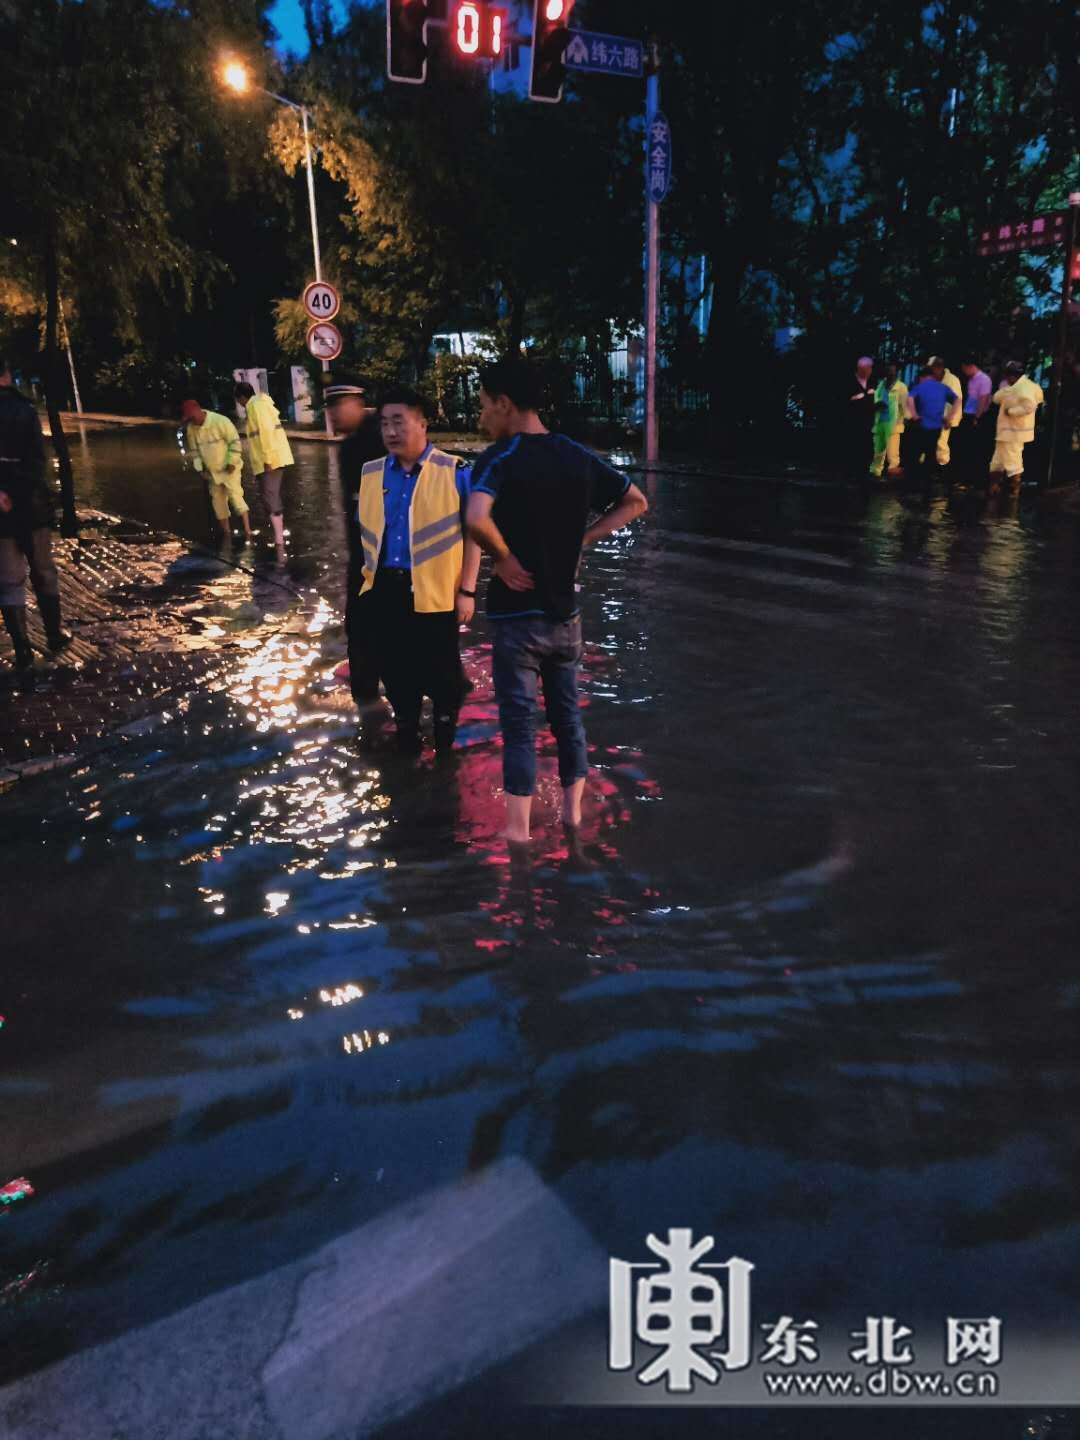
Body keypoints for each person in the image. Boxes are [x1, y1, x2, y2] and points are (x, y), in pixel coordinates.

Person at [466, 357, 648, 846]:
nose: (482, 416)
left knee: (520, 728)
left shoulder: (500, 457)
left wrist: (503, 556)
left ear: (504, 403)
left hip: (517, 619)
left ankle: (517, 835)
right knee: (568, 721)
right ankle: (573, 820)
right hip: (567, 620)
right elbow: (636, 501)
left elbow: (476, 517)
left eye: (484, 405)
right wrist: (582, 540)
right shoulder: (576, 454)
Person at [354, 384, 480, 753]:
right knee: (395, 671)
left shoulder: (454, 471)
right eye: (384, 423)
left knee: (444, 675)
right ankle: (406, 734)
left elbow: (475, 535)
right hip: (385, 589)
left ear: (423, 423)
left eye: (399, 422)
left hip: (437, 591)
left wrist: (467, 590)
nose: (391, 431)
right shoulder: (371, 473)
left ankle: (445, 746)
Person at [0, 357, 68, 674]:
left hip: (3, 516)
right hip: (31, 508)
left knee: (9, 580)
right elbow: (37, 462)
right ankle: (54, 635)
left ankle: (23, 650)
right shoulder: (25, 410)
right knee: (43, 571)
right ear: (7, 374)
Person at [324, 373, 386, 708]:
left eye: (337, 405)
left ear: (357, 402)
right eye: (328, 407)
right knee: (359, 631)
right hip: (361, 561)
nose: (332, 414)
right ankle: (367, 701)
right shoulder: (347, 448)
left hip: (388, 562)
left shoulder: (382, 438)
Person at [235, 381, 294, 562]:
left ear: (241, 398)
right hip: (267, 461)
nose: (239, 404)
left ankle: (279, 541)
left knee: (270, 495)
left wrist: (268, 459)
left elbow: (266, 432)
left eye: (238, 400)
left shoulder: (256, 406)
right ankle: (278, 537)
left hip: (271, 460)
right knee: (267, 496)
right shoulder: (259, 404)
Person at [181, 398, 252, 546]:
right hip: (212, 472)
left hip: (230, 469)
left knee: (236, 498)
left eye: (192, 417)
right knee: (218, 503)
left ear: (198, 410)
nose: (192, 421)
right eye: (189, 419)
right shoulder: (191, 429)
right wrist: (200, 469)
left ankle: (248, 531)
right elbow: (195, 452)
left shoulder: (220, 421)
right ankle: (227, 534)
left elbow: (234, 441)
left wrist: (231, 462)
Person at [989, 360, 1044, 494]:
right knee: (998, 460)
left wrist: (1011, 411)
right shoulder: (1019, 387)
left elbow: (1030, 406)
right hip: (1008, 431)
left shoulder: (1022, 388)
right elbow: (996, 398)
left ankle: (1014, 489)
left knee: (1012, 460)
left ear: (1011, 375)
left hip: (1013, 432)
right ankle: (995, 486)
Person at [906, 365, 959, 481]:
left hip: (921, 425)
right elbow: (957, 400)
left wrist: (915, 415)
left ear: (922, 377)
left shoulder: (920, 387)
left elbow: (909, 399)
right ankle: (927, 482)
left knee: (915, 453)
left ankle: (913, 482)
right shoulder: (942, 387)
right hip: (936, 427)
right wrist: (949, 418)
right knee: (930, 453)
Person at [869, 362, 908, 479]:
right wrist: (877, 405)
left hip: (894, 425)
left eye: (892, 371)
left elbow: (905, 406)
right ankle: (875, 474)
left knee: (892, 454)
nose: (890, 373)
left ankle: (893, 476)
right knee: (878, 452)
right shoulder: (881, 385)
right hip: (880, 422)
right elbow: (875, 401)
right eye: (888, 371)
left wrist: (906, 419)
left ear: (896, 373)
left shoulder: (901, 387)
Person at [957, 357, 992, 478]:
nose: (964, 372)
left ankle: (974, 477)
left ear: (970, 366)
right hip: (968, 413)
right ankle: (965, 475)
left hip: (977, 415)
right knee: (965, 446)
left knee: (975, 447)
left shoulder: (984, 379)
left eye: (964, 369)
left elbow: (983, 399)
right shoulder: (971, 380)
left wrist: (977, 417)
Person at [842, 356, 877, 478]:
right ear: (860, 368)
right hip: (853, 421)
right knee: (854, 445)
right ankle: (852, 471)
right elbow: (842, 401)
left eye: (870, 368)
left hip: (868, 421)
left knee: (866, 446)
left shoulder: (872, 382)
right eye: (867, 368)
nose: (869, 371)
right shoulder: (849, 382)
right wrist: (856, 398)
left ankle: (863, 471)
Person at [927, 356, 962, 468]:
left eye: (932, 368)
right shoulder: (932, 379)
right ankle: (934, 466)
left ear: (939, 367)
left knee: (941, 442)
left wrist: (949, 418)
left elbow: (956, 401)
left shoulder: (952, 380)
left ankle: (942, 467)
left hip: (947, 416)